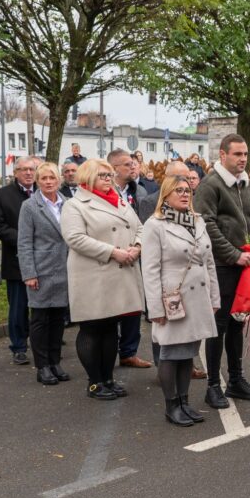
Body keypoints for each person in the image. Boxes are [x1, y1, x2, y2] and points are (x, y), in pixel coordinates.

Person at [192, 134, 250, 408]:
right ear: (223, 155)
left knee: (239, 322)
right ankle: (213, 385)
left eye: (245, 154)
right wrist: (234, 255)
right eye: (237, 154)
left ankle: (236, 380)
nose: (242, 159)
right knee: (219, 326)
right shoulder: (211, 184)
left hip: (246, 266)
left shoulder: (248, 185)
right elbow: (206, 225)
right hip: (222, 266)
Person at [61, 158, 145, 400]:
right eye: (103, 175)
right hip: (94, 275)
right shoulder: (75, 205)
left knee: (110, 329)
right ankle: (94, 382)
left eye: (110, 175)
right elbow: (75, 238)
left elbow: (140, 227)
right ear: (88, 178)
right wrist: (113, 252)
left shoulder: (119, 200)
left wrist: (137, 246)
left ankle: (108, 378)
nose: (108, 179)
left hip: (120, 272)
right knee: (92, 328)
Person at [142, 173, 220, 427]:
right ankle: (171, 405)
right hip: (173, 300)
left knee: (188, 353)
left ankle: (184, 402)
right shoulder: (155, 225)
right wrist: (155, 308)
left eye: (188, 190)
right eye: (179, 190)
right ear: (166, 195)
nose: (185, 194)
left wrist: (214, 297)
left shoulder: (197, 221)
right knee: (170, 352)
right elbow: (150, 270)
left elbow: (209, 263)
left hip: (198, 299)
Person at [17, 162, 71, 386]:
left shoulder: (68, 203)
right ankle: (42, 366)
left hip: (65, 269)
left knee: (58, 319)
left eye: (52, 178)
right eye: (43, 178)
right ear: (37, 181)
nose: (48, 182)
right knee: (40, 319)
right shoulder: (30, 206)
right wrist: (29, 273)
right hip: (42, 270)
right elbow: (24, 243)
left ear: (59, 180)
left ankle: (55, 362)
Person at [107, 148, 152, 369]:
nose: (133, 166)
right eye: (127, 164)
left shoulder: (139, 190)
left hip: (135, 253)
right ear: (114, 168)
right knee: (113, 306)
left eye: (133, 163)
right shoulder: (104, 190)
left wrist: (138, 246)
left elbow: (143, 222)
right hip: (112, 255)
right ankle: (107, 354)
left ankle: (128, 352)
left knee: (134, 304)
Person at [0, 156, 37, 365]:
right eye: (23, 169)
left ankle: (43, 344)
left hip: (43, 259)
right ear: (15, 172)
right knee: (18, 307)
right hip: (16, 260)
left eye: (32, 169)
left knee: (43, 307)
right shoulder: (1, 195)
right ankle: (19, 346)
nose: (28, 173)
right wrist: (23, 239)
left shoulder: (44, 192)